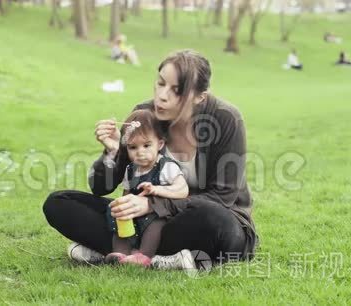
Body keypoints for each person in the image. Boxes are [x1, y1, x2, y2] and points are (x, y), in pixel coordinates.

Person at [43, 50, 258, 271]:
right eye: (161, 83)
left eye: (177, 90)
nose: (162, 95)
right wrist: (112, 152)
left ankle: (112, 251)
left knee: (215, 220)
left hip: (204, 220)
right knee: (59, 203)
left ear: (199, 97)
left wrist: (151, 204)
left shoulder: (226, 119)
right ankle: (158, 257)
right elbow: (100, 187)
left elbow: (221, 198)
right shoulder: (144, 115)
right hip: (143, 224)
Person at [104, 109, 189, 267]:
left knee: (155, 223)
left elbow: (183, 190)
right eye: (133, 147)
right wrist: (122, 205)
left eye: (146, 145)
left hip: (160, 214)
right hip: (136, 213)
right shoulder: (131, 169)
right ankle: (121, 254)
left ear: (160, 144)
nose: (140, 152)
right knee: (121, 217)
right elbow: (127, 192)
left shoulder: (166, 167)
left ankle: (144, 255)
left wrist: (157, 190)